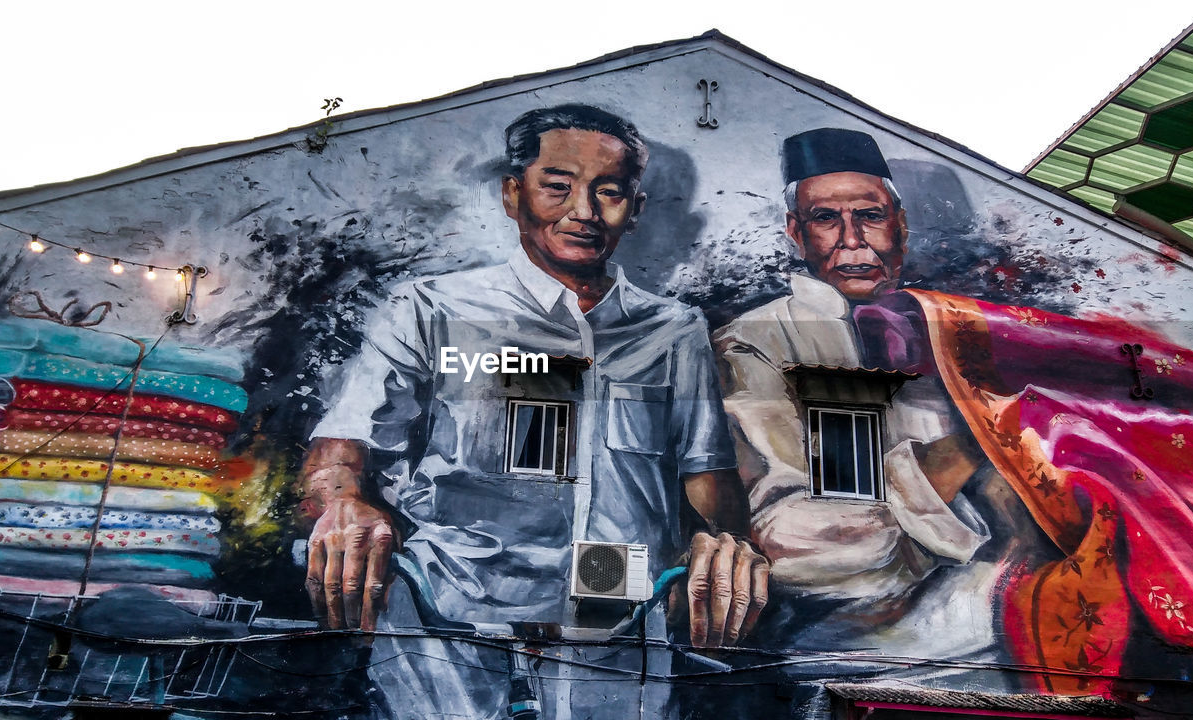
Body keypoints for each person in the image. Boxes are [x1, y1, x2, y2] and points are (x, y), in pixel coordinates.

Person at [299, 104, 769, 718]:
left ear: (636, 208)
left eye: (609, 192)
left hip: (613, 601)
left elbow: (706, 475)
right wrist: (340, 502)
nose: (583, 211)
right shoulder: (433, 309)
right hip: (453, 599)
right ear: (512, 194)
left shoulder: (673, 330)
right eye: (558, 186)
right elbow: (343, 443)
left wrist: (727, 544)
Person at [713, 128, 1031, 668]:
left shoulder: (958, 329)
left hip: (998, 631)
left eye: (870, 216)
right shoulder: (757, 341)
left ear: (900, 225)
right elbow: (790, 541)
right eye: (825, 219)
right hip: (850, 646)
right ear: (796, 232)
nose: (852, 239)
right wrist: (961, 456)